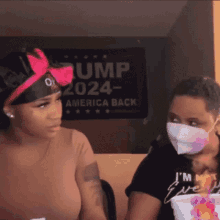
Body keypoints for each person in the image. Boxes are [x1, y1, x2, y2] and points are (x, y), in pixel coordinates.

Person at [0, 48, 107, 220]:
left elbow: (94, 213)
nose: (56, 113)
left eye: (58, 100)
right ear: (9, 109)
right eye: (42, 105)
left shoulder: (75, 142)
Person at [125, 76, 220, 220]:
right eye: (174, 120)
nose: (181, 130)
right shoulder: (157, 162)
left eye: (193, 123)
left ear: (218, 124)